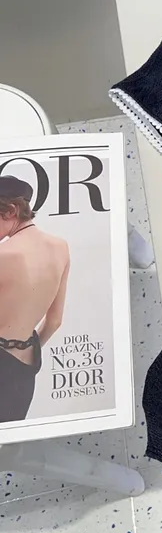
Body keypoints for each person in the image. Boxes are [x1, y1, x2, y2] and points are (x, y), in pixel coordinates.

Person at [0, 175, 70, 422]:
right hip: (26, 370)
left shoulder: (4, 255)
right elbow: (55, 321)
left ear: (11, 210)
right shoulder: (61, 247)